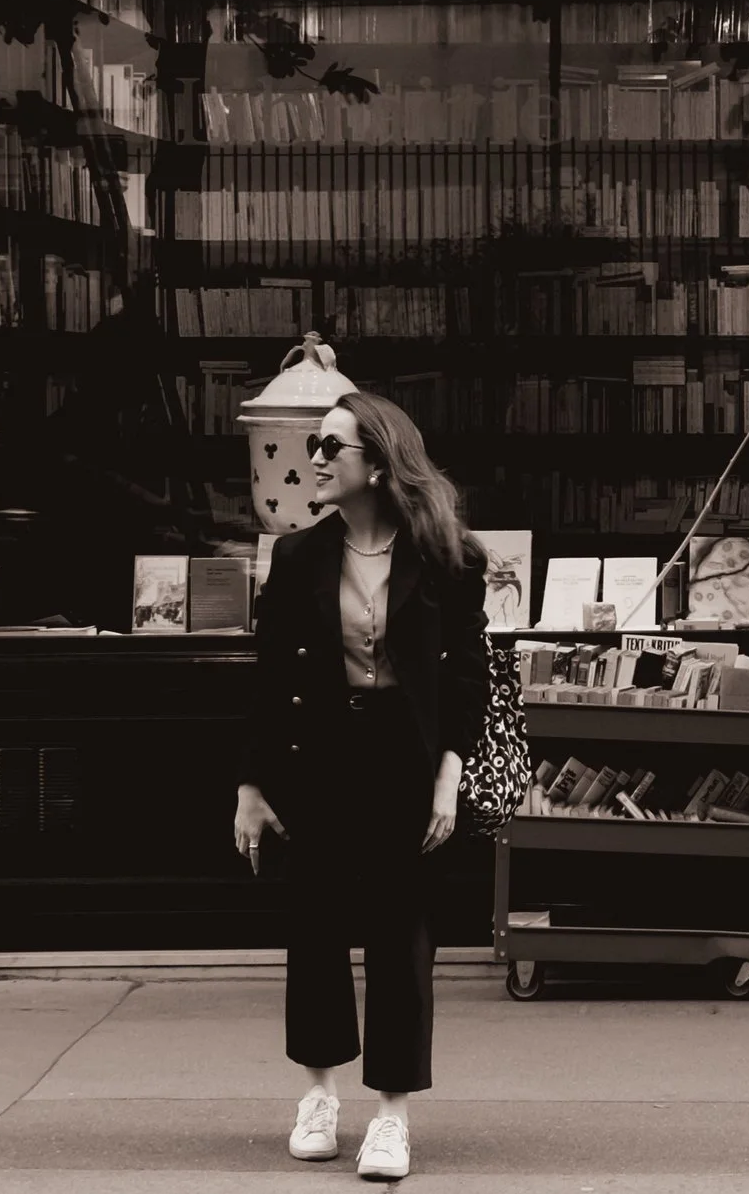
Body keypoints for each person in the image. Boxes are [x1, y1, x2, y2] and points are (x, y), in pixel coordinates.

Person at [232, 391, 488, 1181]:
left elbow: (470, 678)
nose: (312, 456)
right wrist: (250, 783)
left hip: (403, 759)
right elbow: (268, 678)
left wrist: (449, 776)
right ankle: (318, 1093)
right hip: (317, 753)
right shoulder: (297, 555)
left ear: (377, 464)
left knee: (401, 933)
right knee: (314, 923)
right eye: (312, 442)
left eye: (330, 445)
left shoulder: (448, 556)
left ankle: (392, 1115)